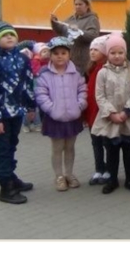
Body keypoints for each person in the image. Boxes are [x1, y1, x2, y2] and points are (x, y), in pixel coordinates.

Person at [0, 22, 37, 204]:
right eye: (4, 35)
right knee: (1, 149)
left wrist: (30, 107)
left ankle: (11, 177)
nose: (9, 37)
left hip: (16, 112)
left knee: (12, 144)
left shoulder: (21, 58)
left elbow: (28, 83)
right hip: (1, 114)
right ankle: (5, 187)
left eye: (12, 34)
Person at [35, 37, 87, 192]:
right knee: (57, 148)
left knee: (70, 147)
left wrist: (79, 105)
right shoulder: (45, 74)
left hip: (73, 116)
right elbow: (41, 94)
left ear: (69, 54)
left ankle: (69, 174)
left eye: (63, 53)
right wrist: (51, 109)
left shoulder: (76, 72)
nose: (60, 56)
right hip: (55, 118)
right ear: (50, 55)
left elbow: (82, 90)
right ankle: (59, 176)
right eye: (56, 53)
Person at [92, 34, 130, 194]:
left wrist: (127, 111)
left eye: (120, 52)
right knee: (111, 151)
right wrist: (111, 113)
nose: (117, 56)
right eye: (113, 53)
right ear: (107, 54)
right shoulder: (103, 73)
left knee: (127, 149)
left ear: (125, 53)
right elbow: (100, 96)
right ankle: (112, 180)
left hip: (127, 117)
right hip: (110, 119)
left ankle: (129, 179)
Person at [50, 0, 102, 71]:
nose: (77, 7)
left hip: (83, 59)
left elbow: (93, 36)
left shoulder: (92, 19)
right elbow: (62, 31)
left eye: (80, 4)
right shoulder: (71, 18)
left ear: (87, 6)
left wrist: (78, 32)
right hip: (70, 58)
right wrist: (54, 22)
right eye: (76, 4)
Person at [85, 36, 109, 186]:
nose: (92, 52)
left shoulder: (105, 69)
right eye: (91, 49)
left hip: (102, 113)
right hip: (91, 113)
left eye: (96, 50)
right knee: (96, 143)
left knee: (106, 142)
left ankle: (109, 170)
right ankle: (99, 168)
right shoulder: (91, 69)